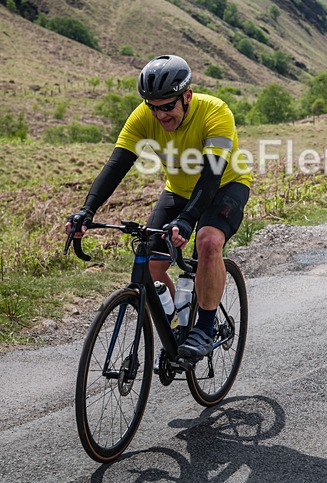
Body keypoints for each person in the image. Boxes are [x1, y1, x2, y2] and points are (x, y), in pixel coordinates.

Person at [67, 55, 252, 360]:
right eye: (153, 107)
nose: (160, 115)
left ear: (187, 96)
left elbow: (211, 174)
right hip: (178, 189)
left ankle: (204, 328)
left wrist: (188, 220)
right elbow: (116, 165)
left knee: (208, 241)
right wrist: (87, 210)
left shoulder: (216, 112)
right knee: (152, 262)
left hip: (224, 186)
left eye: (168, 107)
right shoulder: (143, 117)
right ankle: (178, 323)